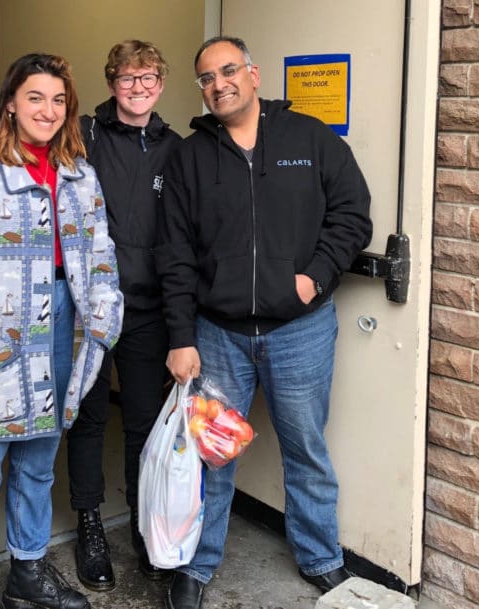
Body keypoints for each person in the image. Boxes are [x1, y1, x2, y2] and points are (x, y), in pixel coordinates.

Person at [154, 36, 373, 609]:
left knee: (305, 450)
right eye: (206, 78)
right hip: (218, 335)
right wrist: (181, 337)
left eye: (228, 71)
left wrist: (314, 277)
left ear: (253, 75)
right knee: (212, 456)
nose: (219, 84)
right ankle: (196, 565)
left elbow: (353, 215)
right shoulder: (189, 158)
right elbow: (174, 253)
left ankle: (321, 558)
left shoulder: (310, 139)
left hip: (299, 331)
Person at [0, 53, 124, 609]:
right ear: (11, 103)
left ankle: (28, 572)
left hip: (64, 331)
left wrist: (104, 320)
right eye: (35, 97)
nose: (48, 110)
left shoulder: (80, 175)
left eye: (59, 100)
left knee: (37, 464)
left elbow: (101, 254)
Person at [65, 40, 181, 591]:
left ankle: (141, 524)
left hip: (147, 309)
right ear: (112, 83)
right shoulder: (83, 136)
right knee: (88, 419)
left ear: (162, 83)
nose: (138, 87)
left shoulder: (176, 149)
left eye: (148, 77)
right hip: (88, 306)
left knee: (142, 422)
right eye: (128, 78)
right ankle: (89, 524)